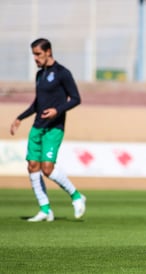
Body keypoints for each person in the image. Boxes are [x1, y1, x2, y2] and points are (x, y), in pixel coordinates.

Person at [10, 38, 86, 222]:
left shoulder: (62, 73)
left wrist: (57, 111)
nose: (35, 58)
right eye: (33, 55)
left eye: (38, 54)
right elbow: (38, 103)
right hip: (37, 127)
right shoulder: (39, 75)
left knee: (47, 168)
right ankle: (45, 209)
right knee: (32, 166)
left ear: (48, 51)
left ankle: (76, 196)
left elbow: (76, 98)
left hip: (54, 128)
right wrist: (20, 117)